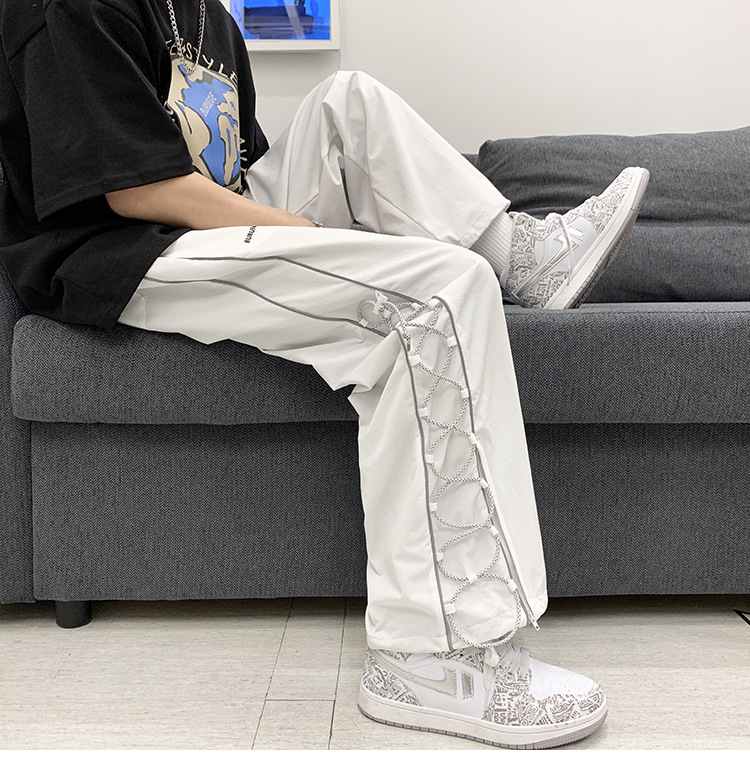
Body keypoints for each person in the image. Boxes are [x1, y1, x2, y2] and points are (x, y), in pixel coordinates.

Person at [0, 0, 649, 749]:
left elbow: (232, 175)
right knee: (440, 290)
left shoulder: (212, 17)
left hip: (198, 223)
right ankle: (432, 656)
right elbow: (136, 190)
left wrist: (295, 230)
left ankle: (523, 257)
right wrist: (302, 232)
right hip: (119, 253)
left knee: (350, 98)